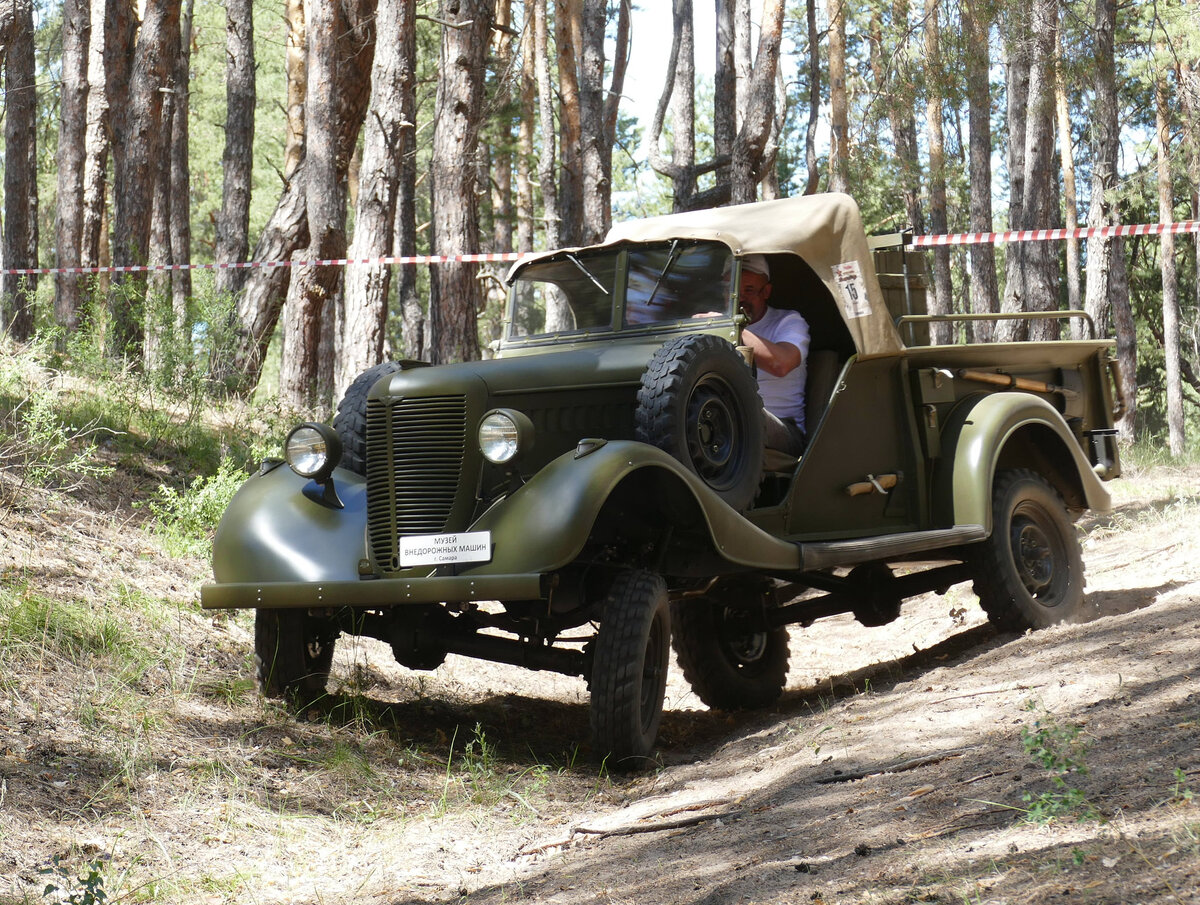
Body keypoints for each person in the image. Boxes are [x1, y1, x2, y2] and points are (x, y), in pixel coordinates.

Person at [737, 255, 810, 457]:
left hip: (784, 429)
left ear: (766, 291)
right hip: (732, 418)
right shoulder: (715, 323)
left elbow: (781, 363)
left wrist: (730, 328)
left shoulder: (788, 321)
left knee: (739, 413)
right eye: (734, 290)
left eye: (749, 290)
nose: (741, 297)